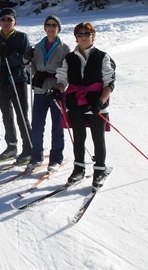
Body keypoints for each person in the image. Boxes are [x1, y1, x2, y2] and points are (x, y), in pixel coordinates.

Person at [52, 22, 116, 188]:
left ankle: (100, 170)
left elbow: (109, 82)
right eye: (79, 34)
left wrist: (100, 102)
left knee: (98, 137)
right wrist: (58, 90)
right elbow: (63, 79)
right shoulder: (70, 58)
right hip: (76, 103)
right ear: (75, 37)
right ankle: (78, 169)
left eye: (87, 33)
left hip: (97, 103)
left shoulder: (102, 56)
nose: (83, 37)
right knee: (79, 138)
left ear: (93, 35)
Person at [24, 15, 71, 171]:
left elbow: (66, 71)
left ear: (58, 28)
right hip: (40, 89)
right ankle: (36, 156)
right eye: (48, 25)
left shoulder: (64, 48)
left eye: (54, 25)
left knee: (57, 125)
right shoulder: (38, 46)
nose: (51, 28)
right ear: (45, 28)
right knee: (37, 124)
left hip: (56, 90)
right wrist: (27, 62)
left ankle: (56, 158)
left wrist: (60, 86)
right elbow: (32, 69)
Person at [0, 8, 32, 164]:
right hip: (2, 78)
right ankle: (11, 146)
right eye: (3, 20)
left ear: (15, 22)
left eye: (9, 20)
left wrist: (9, 52)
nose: (6, 23)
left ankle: (29, 148)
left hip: (17, 78)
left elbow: (25, 60)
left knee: (21, 114)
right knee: (6, 113)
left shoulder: (21, 37)